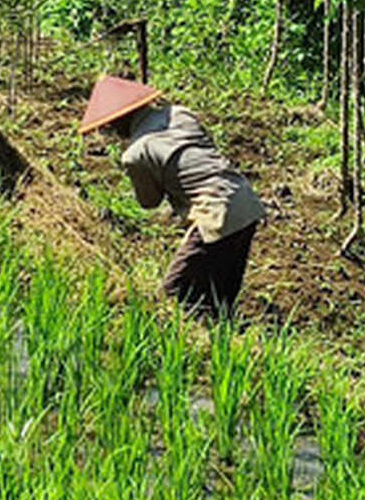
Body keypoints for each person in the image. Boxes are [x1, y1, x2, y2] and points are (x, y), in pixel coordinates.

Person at [78, 75, 266, 320]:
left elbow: (149, 202)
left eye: (111, 127)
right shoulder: (180, 114)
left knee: (172, 295)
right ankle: (222, 343)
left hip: (215, 212)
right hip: (245, 200)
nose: (113, 133)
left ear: (119, 121)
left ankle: (191, 344)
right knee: (221, 296)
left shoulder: (135, 153)